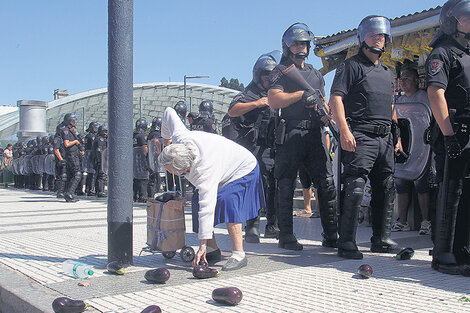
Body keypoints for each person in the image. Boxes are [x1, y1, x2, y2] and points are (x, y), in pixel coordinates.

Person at [329, 15, 403, 259]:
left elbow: (391, 105)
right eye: (374, 35)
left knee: (386, 187)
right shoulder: (351, 66)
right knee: (356, 187)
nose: (379, 39)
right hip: (360, 134)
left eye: (382, 35)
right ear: (362, 38)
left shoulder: (387, 71)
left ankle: (381, 239)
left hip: (385, 138)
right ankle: (347, 242)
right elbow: (336, 99)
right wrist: (344, 131)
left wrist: (397, 137)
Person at [158, 107, 264, 271]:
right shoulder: (180, 138)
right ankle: (213, 249)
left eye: (171, 170)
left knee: (228, 200)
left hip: (243, 168)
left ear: (183, 168)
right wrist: (166, 139)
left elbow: (207, 207)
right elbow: (169, 112)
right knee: (196, 202)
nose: (170, 173)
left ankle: (239, 254)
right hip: (223, 166)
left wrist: (201, 244)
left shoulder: (204, 170)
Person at [268, 23, 338, 250]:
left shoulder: (316, 74)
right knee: (286, 183)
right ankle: (286, 236)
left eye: (304, 44)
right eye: (296, 43)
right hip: (291, 132)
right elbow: (274, 100)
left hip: (315, 133)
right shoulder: (280, 70)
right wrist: (299, 96)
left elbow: (323, 101)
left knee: (326, 183)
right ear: (288, 46)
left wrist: (328, 117)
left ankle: (331, 236)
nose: (301, 47)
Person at [425, 0, 470, 276]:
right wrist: (449, 135)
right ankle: (443, 253)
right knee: (450, 193)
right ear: (452, 21)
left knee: (467, 195)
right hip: (454, 134)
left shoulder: (467, 53)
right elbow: (435, 93)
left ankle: (462, 249)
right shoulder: (442, 53)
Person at [228, 51, 281, 242]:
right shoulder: (247, 94)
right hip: (251, 148)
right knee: (253, 185)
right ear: (258, 75)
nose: (269, 79)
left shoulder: (276, 93)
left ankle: (273, 225)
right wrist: (256, 103)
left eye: (272, 75)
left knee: (274, 185)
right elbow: (233, 111)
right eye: (267, 75)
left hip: (271, 147)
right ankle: (252, 225)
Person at [392, 68, 432, 235]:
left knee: (421, 186)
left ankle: (426, 221)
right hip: (404, 149)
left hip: (422, 148)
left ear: (416, 80)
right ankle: (401, 221)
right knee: (401, 185)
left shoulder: (424, 98)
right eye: (402, 78)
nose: (403, 81)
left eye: (407, 78)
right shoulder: (398, 100)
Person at [59, 113, 83, 202]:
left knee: (71, 175)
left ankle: (68, 193)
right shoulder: (66, 130)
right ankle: (69, 193)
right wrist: (75, 141)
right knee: (77, 174)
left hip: (72, 154)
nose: (74, 122)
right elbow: (66, 143)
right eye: (73, 120)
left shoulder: (70, 130)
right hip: (71, 155)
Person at [133, 117, 149, 203]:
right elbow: (144, 147)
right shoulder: (142, 135)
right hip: (141, 159)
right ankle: (143, 196)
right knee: (143, 178)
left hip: (134, 159)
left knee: (135, 178)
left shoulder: (133, 135)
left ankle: (135, 195)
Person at [147, 116, 163, 198]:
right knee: (156, 177)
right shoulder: (156, 134)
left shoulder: (150, 134)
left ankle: (151, 194)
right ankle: (154, 194)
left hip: (150, 158)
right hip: (155, 158)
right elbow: (156, 141)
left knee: (152, 177)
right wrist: (159, 151)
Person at [85, 122, 99, 196]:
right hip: (91, 155)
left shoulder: (88, 136)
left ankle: (88, 189)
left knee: (90, 173)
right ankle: (91, 189)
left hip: (88, 155)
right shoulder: (91, 136)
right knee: (92, 173)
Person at [93, 123, 108, 197]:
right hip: (100, 160)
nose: (106, 133)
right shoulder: (100, 139)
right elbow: (99, 150)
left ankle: (97, 190)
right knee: (101, 175)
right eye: (105, 131)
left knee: (98, 175)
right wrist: (101, 161)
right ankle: (100, 191)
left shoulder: (97, 138)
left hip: (97, 160)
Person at [53, 124, 67, 198]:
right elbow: (56, 150)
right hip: (60, 160)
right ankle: (60, 192)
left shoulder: (62, 138)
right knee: (62, 176)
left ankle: (62, 191)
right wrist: (61, 159)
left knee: (63, 176)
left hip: (63, 158)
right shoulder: (57, 138)